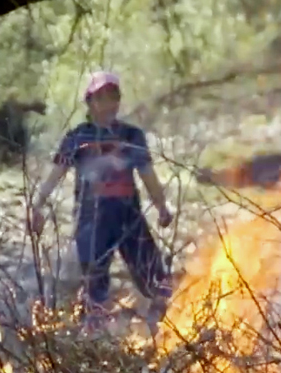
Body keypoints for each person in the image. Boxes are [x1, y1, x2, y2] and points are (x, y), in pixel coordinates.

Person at [27, 71, 174, 333]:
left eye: (113, 97)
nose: (108, 104)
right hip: (91, 219)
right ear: (90, 102)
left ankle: (162, 328)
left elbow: (147, 174)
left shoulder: (132, 136)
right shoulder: (77, 137)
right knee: (95, 287)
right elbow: (56, 174)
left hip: (128, 215)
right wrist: (36, 205)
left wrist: (162, 206)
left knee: (157, 281)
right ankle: (97, 342)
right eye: (101, 98)